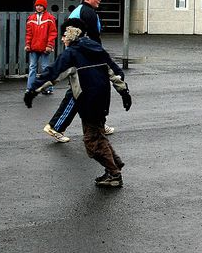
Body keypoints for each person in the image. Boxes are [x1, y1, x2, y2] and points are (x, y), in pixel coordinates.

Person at [24, 18, 132, 187]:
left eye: (63, 35)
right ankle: (114, 165)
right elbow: (115, 72)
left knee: (92, 141)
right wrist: (124, 92)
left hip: (88, 101)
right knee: (98, 133)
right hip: (102, 100)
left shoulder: (72, 53)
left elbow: (53, 73)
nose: (61, 39)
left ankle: (114, 174)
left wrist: (33, 90)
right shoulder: (97, 48)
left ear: (71, 33)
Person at [43, 0, 113, 143]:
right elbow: (87, 39)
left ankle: (99, 125)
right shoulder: (86, 13)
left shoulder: (83, 11)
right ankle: (55, 126)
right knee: (78, 92)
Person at [25, 0, 57, 94]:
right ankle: (30, 88)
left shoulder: (50, 18)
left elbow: (52, 33)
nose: (38, 7)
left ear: (44, 7)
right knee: (32, 68)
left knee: (45, 68)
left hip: (45, 48)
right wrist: (27, 44)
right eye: (37, 5)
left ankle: (48, 88)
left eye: (41, 6)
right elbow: (28, 33)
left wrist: (49, 45)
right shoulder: (31, 18)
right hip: (34, 47)